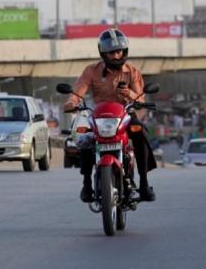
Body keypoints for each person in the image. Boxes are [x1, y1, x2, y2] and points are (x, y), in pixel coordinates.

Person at [63, 28, 157, 202]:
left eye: (119, 51)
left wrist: (129, 94)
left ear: (125, 51)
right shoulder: (91, 70)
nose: (116, 55)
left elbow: (141, 98)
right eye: (111, 52)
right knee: (84, 138)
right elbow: (78, 92)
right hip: (99, 117)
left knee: (140, 132)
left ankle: (144, 183)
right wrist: (72, 103)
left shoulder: (133, 72)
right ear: (103, 53)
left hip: (125, 115)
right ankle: (86, 184)